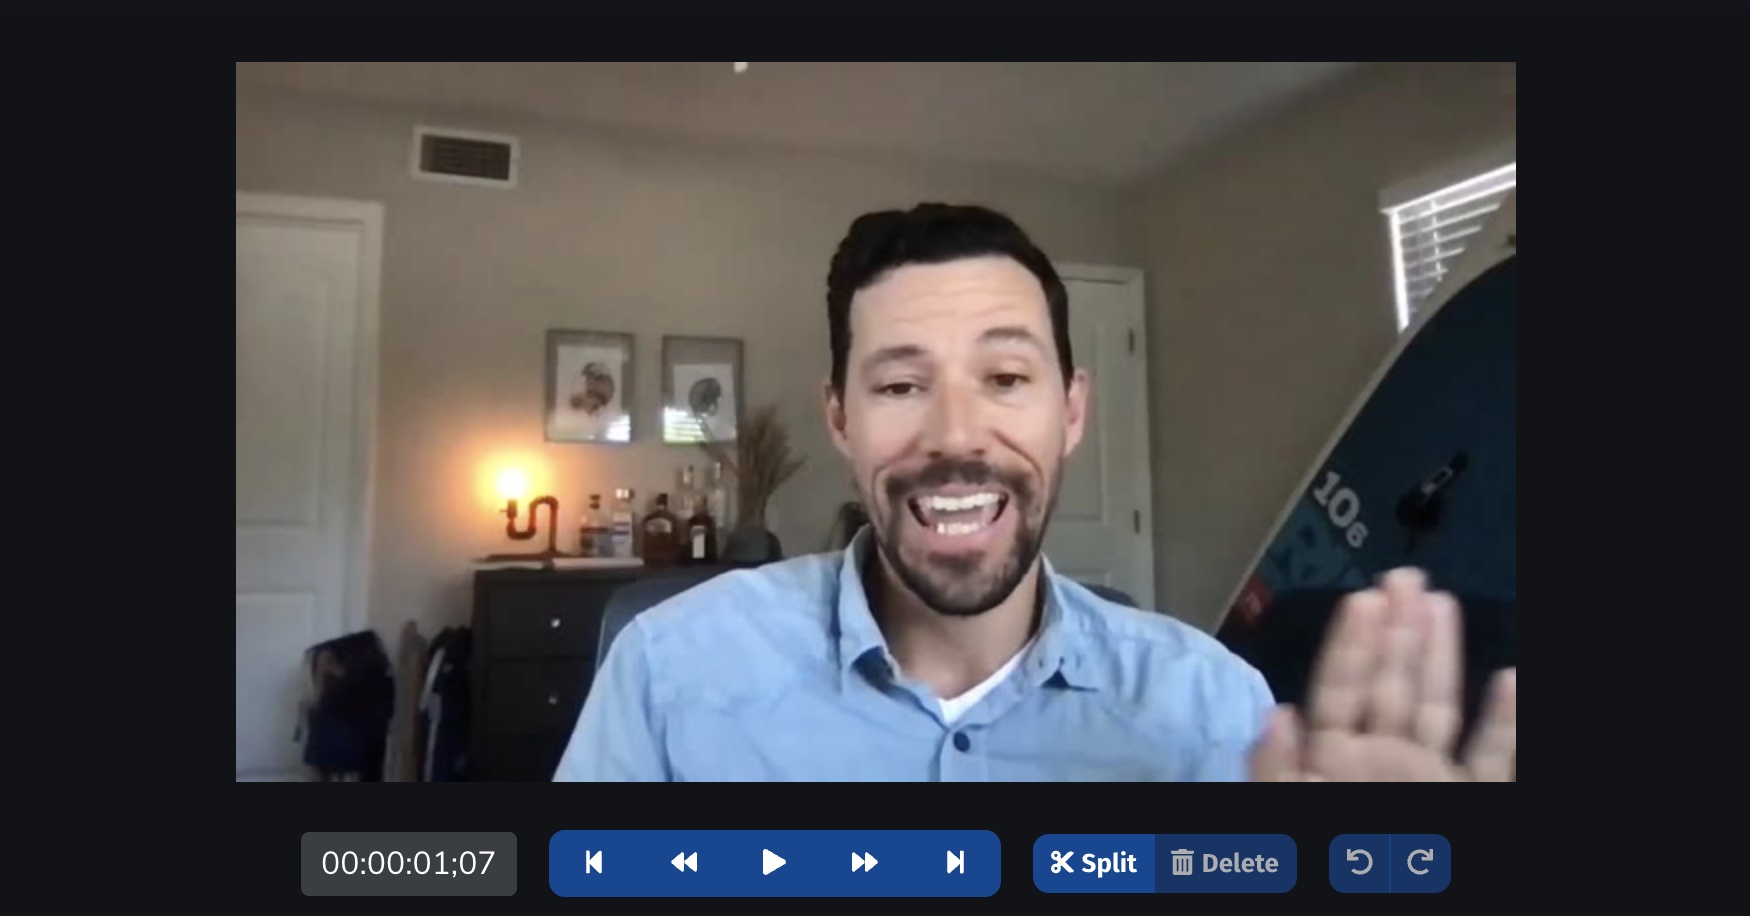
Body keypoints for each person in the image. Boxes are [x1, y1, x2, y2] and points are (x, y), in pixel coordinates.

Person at [551, 202, 1516, 783]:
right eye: (900, 385)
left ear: (1073, 411)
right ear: (841, 420)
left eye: (1007, 377)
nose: (956, 434)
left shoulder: (1216, 709)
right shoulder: (670, 672)